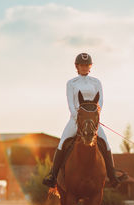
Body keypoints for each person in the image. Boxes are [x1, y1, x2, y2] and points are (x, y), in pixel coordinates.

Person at [43, 53, 127, 188]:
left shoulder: (96, 82)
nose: (84, 67)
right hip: (76, 119)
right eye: (82, 65)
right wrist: (78, 117)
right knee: (62, 142)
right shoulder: (71, 83)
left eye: (87, 65)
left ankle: (112, 176)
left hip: (92, 120)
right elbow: (70, 102)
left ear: (90, 66)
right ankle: (53, 176)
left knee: (105, 143)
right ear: (77, 66)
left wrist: (94, 117)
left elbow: (100, 101)